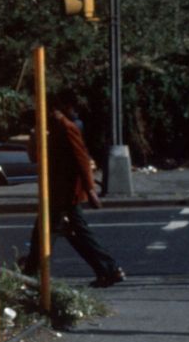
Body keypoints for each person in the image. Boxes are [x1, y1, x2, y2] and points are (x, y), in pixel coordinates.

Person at [18, 106, 126, 288]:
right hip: (56, 192)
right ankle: (108, 269)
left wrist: (90, 189)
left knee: (52, 233)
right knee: (72, 234)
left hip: (67, 193)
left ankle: (30, 276)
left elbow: (81, 158)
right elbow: (35, 158)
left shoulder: (66, 128)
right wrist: (35, 137)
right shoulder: (49, 130)